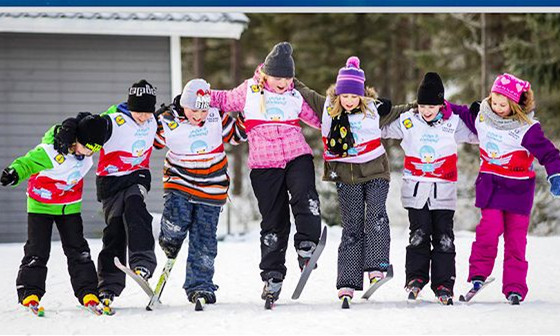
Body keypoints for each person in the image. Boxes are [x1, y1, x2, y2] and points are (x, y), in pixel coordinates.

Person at [294, 57, 413, 306]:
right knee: (352, 227)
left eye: (353, 96)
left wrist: (425, 103)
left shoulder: (374, 109)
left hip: (375, 171)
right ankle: (347, 281)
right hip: (346, 176)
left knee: (377, 216)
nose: (348, 100)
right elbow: (303, 91)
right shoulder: (326, 106)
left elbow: (403, 109)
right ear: (338, 93)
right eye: (344, 95)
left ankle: (376, 267)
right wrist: (281, 74)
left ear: (361, 95)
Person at [210, 42, 322, 304]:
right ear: (266, 74)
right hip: (264, 165)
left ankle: (306, 245)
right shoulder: (249, 90)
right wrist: (197, 94)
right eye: (278, 78)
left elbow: (318, 121)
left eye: (288, 78)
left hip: (297, 155)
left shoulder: (295, 96)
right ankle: (272, 275)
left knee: (305, 197)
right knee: (274, 221)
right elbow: (223, 100)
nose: (283, 83)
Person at [449, 73, 560, 304]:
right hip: (491, 186)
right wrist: (441, 102)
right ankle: (478, 274)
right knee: (489, 229)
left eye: (503, 104)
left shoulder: (526, 129)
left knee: (516, 240)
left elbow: (549, 153)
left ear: (515, 105)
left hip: (518, 190)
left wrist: (556, 174)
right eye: (494, 101)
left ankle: (515, 287)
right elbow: (459, 111)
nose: (497, 108)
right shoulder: (483, 117)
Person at [58, 79, 160, 310]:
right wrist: (68, 128)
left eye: (147, 112)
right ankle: (108, 285)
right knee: (114, 230)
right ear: (129, 105)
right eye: (138, 111)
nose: (143, 117)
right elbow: (83, 121)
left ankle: (142, 262)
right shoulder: (112, 120)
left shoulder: (154, 118)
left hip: (137, 176)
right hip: (111, 181)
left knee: (136, 209)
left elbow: (176, 114)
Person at [381, 72, 478, 305]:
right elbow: (380, 131)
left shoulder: (453, 122)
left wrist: (479, 117)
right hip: (416, 192)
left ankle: (444, 284)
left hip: (443, 191)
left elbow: (478, 136)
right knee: (418, 235)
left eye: (431, 106)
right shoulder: (408, 120)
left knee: (444, 237)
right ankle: (415, 279)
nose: (426, 110)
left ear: (441, 104)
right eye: (422, 105)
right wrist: (379, 112)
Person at [153, 78, 246, 307]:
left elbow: (236, 136)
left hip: (211, 186)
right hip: (180, 181)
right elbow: (149, 142)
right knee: (177, 220)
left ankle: (200, 286)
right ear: (184, 104)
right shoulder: (167, 119)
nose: (199, 116)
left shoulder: (215, 115)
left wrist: (247, 113)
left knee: (204, 240)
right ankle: (169, 236)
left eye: (203, 111)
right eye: (194, 110)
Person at [1, 114, 106, 312]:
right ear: (76, 140)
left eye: (95, 150)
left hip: (70, 206)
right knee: (37, 249)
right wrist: (14, 173)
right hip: (41, 205)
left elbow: (94, 119)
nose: (90, 153)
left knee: (78, 250)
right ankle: (30, 291)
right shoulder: (50, 152)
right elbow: (27, 163)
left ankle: (88, 291)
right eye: (87, 148)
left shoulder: (86, 147)